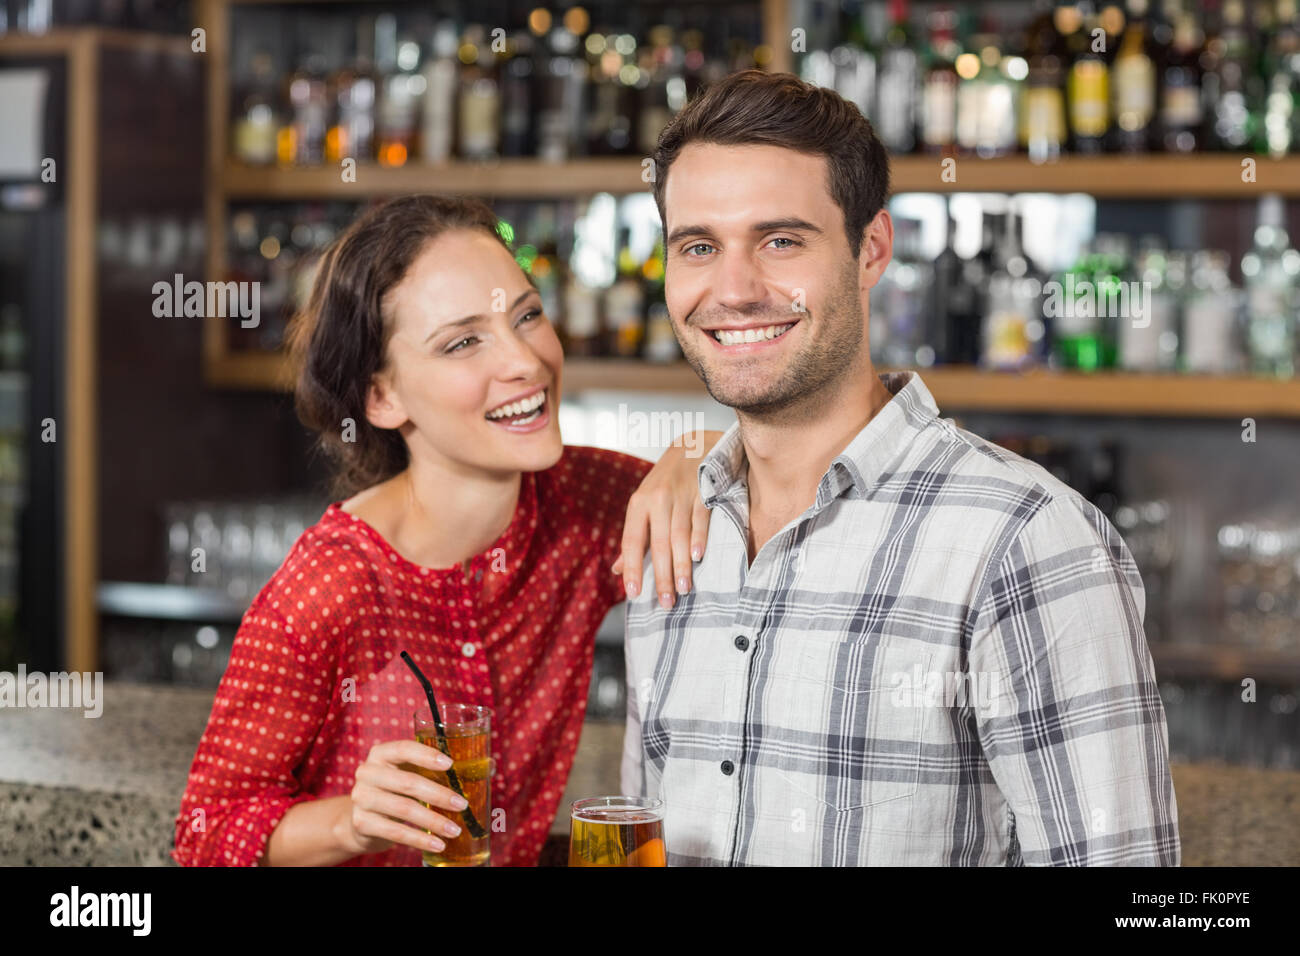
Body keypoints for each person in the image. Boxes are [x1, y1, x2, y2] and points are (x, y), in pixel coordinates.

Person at [620, 70, 1180, 866]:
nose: (734, 289)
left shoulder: (1024, 539)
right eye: (699, 247)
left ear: (870, 250)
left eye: (781, 240)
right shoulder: (674, 533)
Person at [173, 195, 719, 867]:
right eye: (462, 342)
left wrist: (699, 450)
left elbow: (756, 482)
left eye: (527, 316)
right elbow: (205, 829)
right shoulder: (327, 589)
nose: (524, 361)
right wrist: (350, 823)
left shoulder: (585, 504)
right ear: (382, 397)